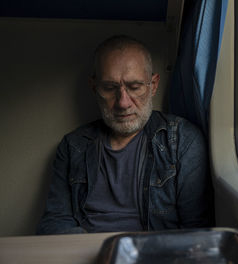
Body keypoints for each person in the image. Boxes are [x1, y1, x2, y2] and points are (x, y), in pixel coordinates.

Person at [37, 35, 213, 234]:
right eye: (110, 88)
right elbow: (53, 224)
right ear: (94, 87)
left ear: (153, 85)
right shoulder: (73, 146)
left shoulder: (182, 141)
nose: (123, 102)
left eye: (134, 87)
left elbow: (196, 232)